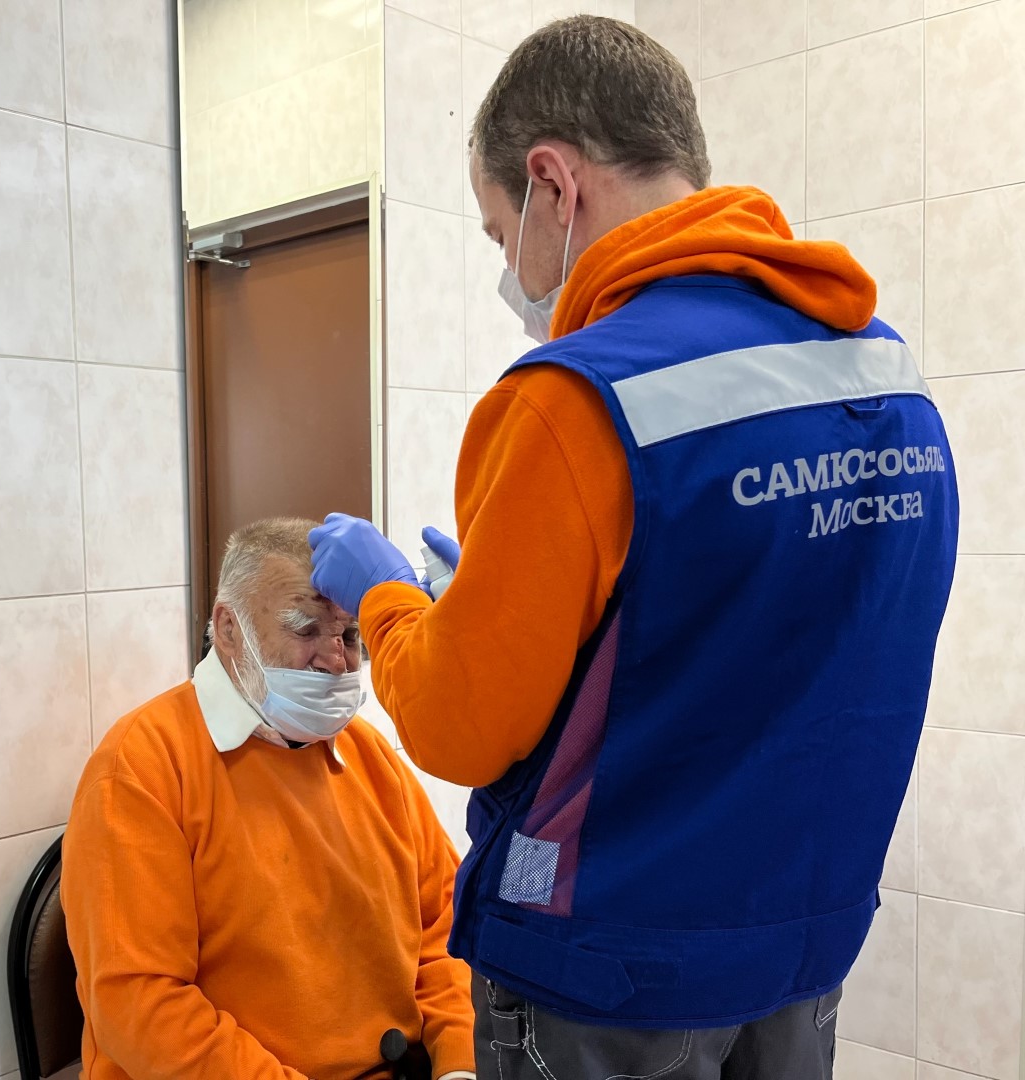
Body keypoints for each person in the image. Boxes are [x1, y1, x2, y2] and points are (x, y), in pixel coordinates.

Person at [308, 15, 958, 1080]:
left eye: (498, 234)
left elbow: (461, 729)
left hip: (610, 983)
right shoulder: (886, 377)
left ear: (553, 183)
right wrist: (536, 607)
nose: (510, 272)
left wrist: (388, 599)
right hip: (800, 957)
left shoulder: (571, 400)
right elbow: (761, 637)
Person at [61, 518, 476, 1080]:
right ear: (228, 629)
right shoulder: (143, 769)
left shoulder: (370, 757)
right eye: (306, 628)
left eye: (350, 635)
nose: (337, 660)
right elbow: (139, 1004)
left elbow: (447, 933)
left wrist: (460, 1064)